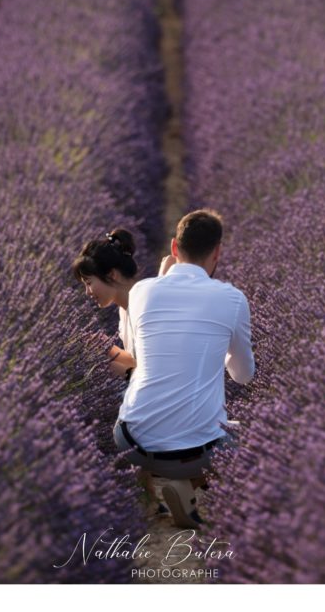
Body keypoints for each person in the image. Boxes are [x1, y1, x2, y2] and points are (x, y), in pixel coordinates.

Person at [113, 209, 255, 528]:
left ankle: (157, 490)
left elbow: (135, 356)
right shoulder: (232, 299)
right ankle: (190, 485)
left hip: (132, 443)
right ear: (218, 252)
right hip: (199, 450)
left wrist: (161, 282)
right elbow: (243, 376)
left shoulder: (140, 292)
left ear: (174, 249)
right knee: (255, 435)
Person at [71, 228, 141, 382]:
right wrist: (106, 348)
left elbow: (161, 373)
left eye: (89, 283)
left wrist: (124, 372)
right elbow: (139, 359)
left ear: (112, 274)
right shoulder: (125, 310)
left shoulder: (146, 309)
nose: (88, 292)